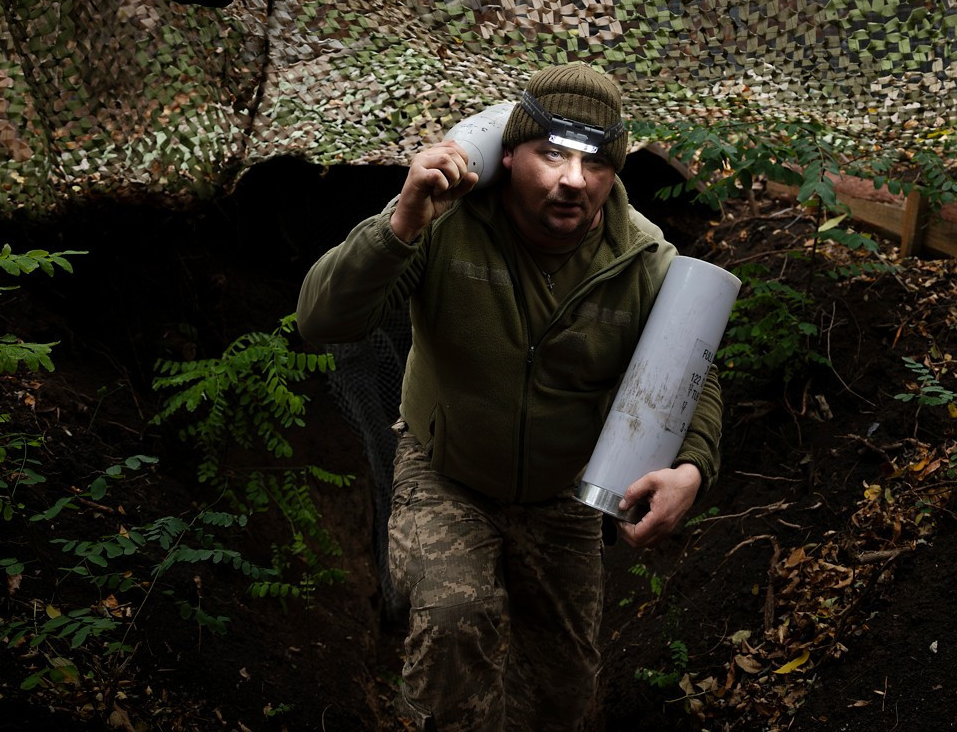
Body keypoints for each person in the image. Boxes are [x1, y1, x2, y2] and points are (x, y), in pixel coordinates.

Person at [296, 61, 723, 731]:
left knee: (562, 689)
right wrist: (400, 225)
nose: (573, 179)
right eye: (552, 153)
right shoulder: (445, 221)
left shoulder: (641, 260)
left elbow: (692, 375)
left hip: (562, 495)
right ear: (510, 153)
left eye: (595, 162)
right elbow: (322, 319)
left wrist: (692, 467)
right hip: (446, 473)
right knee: (454, 622)